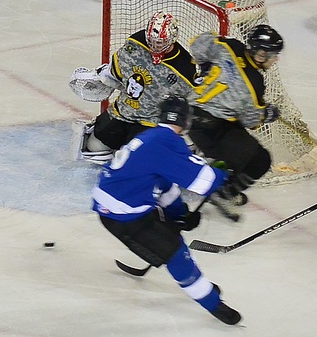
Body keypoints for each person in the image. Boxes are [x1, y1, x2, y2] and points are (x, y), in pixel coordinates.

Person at [93, 96, 241, 325]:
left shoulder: (152, 137)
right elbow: (203, 181)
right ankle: (213, 303)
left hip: (119, 205)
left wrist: (179, 214)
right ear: (186, 121)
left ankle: (200, 286)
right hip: (123, 214)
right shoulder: (169, 142)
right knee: (177, 255)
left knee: (170, 234)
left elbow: (164, 186)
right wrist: (225, 173)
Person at [69, 11, 198, 163]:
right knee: (93, 148)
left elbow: (189, 107)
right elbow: (116, 72)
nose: (155, 46)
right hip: (123, 111)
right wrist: (102, 77)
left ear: (172, 39)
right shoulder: (136, 43)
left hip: (150, 123)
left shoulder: (185, 68)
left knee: (133, 162)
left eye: (160, 42)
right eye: (152, 40)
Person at [185, 24, 284, 222]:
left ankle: (215, 172)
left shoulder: (229, 45)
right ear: (261, 54)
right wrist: (268, 113)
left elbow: (197, 45)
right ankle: (224, 192)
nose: (275, 60)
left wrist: (205, 65)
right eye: (273, 55)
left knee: (237, 135)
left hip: (187, 113)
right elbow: (251, 120)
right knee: (260, 159)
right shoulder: (254, 82)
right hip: (208, 130)